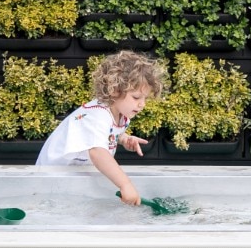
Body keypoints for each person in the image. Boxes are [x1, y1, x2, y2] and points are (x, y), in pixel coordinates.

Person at [35, 50, 165, 206]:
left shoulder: (119, 113)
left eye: (145, 98)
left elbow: (108, 132)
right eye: (136, 97)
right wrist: (125, 184)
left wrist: (123, 138)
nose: (142, 104)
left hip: (73, 174)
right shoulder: (97, 115)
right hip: (53, 177)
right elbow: (98, 153)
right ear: (114, 91)